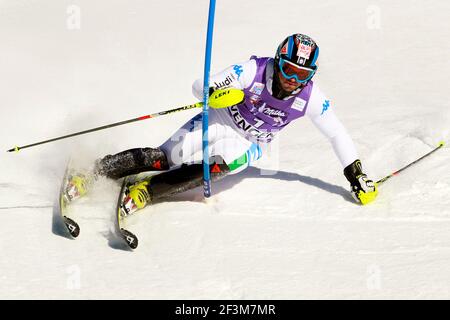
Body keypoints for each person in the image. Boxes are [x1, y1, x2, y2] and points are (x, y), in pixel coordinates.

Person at [66, 33, 378, 215]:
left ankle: (148, 192)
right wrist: (214, 93)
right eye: (288, 70)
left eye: (301, 75)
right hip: (220, 118)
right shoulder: (253, 71)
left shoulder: (311, 99)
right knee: (164, 157)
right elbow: (200, 84)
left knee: (216, 167)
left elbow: (336, 132)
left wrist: (357, 174)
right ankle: (92, 173)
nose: (291, 80)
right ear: (278, 61)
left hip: (250, 142)